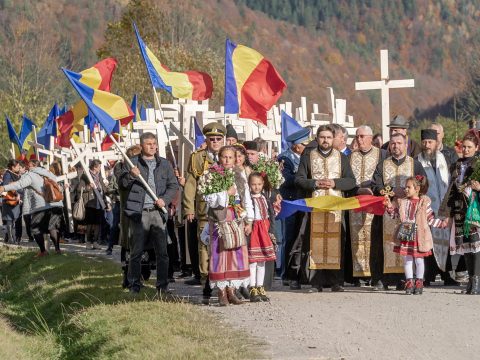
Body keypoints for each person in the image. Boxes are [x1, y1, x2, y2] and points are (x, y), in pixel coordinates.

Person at [291, 125, 356, 291]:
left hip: (336, 208)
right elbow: (298, 179)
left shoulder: (341, 157)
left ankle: (336, 282)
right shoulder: (308, 156)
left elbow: (351, 181)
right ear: (317, 138)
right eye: (322, 137)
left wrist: (335, 183)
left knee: (336, 242)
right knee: (314, 243)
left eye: (328, 137)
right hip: (315, 207)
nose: (325, 140)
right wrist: (314, 183)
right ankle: (315, 281)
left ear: (333, 138)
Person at [119, 132, 178, 295]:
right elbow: (122, 184)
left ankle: (162, 285)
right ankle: (134, 284)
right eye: (148, 144)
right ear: (142, 145)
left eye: (154, 144)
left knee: (162, 251)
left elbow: (173, 185)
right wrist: (131, 175)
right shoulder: (133, 163)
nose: (152, 146)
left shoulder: (164, 164)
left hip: (158, 212)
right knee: (136, 251)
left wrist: (164, 200)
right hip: (140, 213)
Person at [372, 133, 427, 290]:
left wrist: (411, 193)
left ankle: (406, 279)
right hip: (388, 211)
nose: (396, 146)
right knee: (385, 243)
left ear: (406, 145)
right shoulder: (382, 165)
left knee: (409, 247)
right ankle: (384, 279)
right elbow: (375, 185)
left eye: (399, 143)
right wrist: (391, 190)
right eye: (393, 143)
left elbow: (423, 184)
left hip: (410, 213)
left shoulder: (414, 164)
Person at [202, 146, 253, 306]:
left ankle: (231, 290)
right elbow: (207, 198)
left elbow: (246, 198)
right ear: (219, 157)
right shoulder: (211, 174)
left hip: (236, 217)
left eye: (231, 157)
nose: (227, 160)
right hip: (219, 218)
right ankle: (221, 292)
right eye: (224, 157)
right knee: (220, 253)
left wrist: (249, 220)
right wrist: (226, 194)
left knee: (236, 253)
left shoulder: (239, 175)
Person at [183, 122, 226, 291]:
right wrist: (189, 208)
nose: (215, 142)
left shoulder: (229, 155)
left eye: (218, 139)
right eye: (211, 139)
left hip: (225, 209)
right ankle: (206, 278)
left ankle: (223, 278)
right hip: (204, 209)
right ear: (206, 140)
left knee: (225, 243)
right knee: (204, 244)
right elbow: (191, 184)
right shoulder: (197, 158)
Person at [385, 176, 444, 295]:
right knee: (407, 260)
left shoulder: (424, 202)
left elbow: (430, 219)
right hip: (406, 232)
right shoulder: (403, 202)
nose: (405, 189)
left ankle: (419, 282)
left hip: (419, 235)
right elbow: (395, 215)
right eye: (405, 187)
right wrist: (389, 206)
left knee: (419, 259)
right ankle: (409, 282)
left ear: (417, 188)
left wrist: (442, 224)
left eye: (408, 187)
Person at [416, 129, 459, 286]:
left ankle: (446, 274)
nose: (427, 145)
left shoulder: (445, 159)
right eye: (425, 142)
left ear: (436, 143)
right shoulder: (417, 160)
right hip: (426, 207)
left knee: (445, 241)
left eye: (430, 142)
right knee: (426, 240)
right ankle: (427, 275)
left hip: (443, 206)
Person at [440, 134, 480, 294]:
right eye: (464, 147)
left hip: (475, 210)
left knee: (476, 246)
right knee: (466, 247)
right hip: (459, 210)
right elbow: (451, 190)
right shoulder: (456, 165)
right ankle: (470, 282)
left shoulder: (478, 164)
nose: (466, 149)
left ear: (476, 148)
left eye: (469, 147)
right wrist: (446, 213)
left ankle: (477, 282)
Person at [346, 125, 386, 286]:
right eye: (357, 136)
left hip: (373, 203)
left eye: (362, 136)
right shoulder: (350, 156)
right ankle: (357, 275)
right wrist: (357, 189)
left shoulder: (381, 155)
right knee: (355, 238)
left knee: (373, 238)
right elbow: (347, 178)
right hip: (355, 201)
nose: (359, 140)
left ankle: (373, 272)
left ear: (370, 138)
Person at [0, 161, 64, 256]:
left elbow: (20, 185)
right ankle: (57, 249)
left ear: (33, 167)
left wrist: (4, 188)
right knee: (53, 227)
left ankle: (43, 251)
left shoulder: (31, 175)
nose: (26, 168)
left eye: (28, 166)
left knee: (35, 229)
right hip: (56, 204)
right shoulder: (49, 173)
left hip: (41, 206)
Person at [277, 128, 310, 285]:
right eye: (305, 144)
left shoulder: (305, 157)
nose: (307, 147)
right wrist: (303, 177)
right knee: (289, 237)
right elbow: (286, 180)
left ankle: (300, 273)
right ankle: (287, 274)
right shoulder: (284, 159)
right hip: (290, 202)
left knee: (302, 237)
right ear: (297, 146)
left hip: (303, 202)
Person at [247, 172, 277, 302]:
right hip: (254, 230)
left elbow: (271, 214)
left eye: (259, 184)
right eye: (253, 184)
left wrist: (271, 230)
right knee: (253, 260)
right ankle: (252, 287)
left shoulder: (265, 197)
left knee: (262, 260)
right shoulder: (248, 198)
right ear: (249, 185)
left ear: (263, 184)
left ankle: (260, 286)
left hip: (264, 229)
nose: (256, 187)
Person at [77, 159, 107, 250]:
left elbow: (103, 188)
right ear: (94, 167)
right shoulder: (85, 176)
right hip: (89, 203)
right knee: (90, 223)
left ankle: (95, 242)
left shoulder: (99, 176)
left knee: (98, 223)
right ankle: (89, 241)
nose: (100, 168)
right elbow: (79, 189)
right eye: (99, 167)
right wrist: (88, 187)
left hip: (99, 202)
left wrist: (106, 195)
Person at [1, 160, 21, 243]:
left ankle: (9, 237)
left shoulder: (15, 174)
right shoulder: (8, 174)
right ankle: (10, 238)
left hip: (16, 200)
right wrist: (16, 194)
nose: (19, 167)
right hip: (10, 200)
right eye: (18, 166)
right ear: (13, 167)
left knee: (14, 219)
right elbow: (6, 186)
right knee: (9, 219)